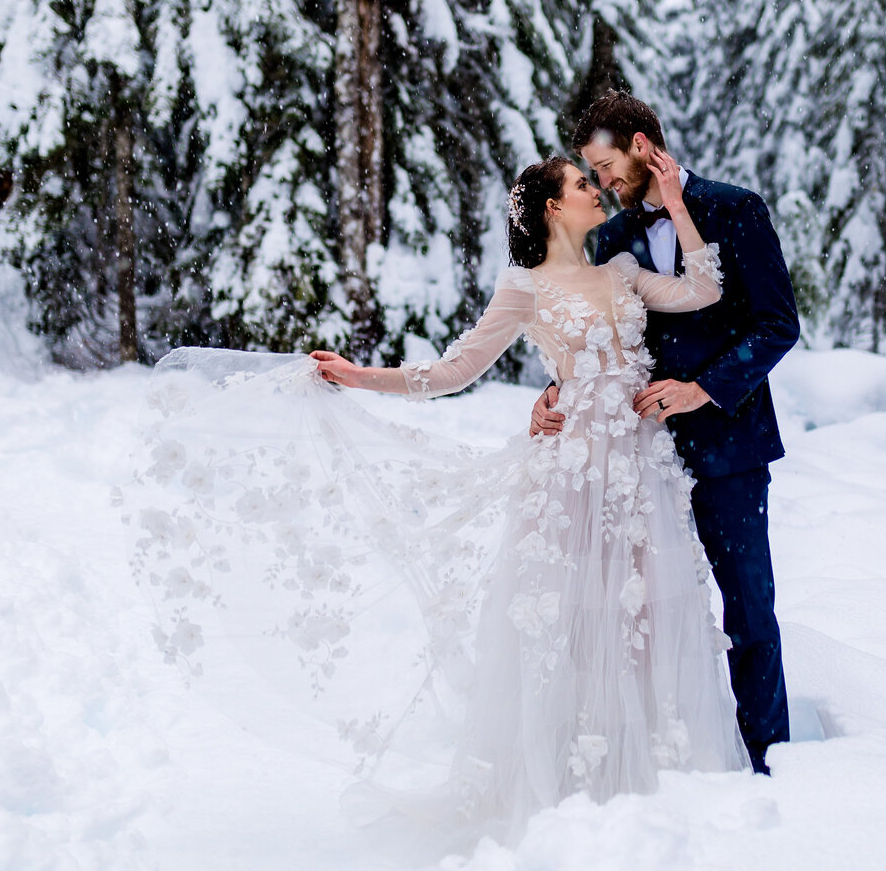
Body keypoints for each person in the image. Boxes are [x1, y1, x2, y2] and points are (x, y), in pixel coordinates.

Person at [308, 150, 748, 841]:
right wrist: (360, 376)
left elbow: (704, 287)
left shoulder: (624, 270)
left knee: (646, 624)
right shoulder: (526, 286)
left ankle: (654, 788)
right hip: (572, 475)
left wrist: (676, 200)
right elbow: (455, 370)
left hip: (640, 472)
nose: (595, 189)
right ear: (551, 207)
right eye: (581, 183)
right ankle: (570, 789)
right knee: (574, 627)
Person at [530, 90, 800, 775]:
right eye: (589, 173)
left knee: (748, 612)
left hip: (729, 450)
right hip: (636, 458)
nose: (602, 182)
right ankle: (662, 758)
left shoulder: (735, 209)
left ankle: (769, 762)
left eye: (606, 164)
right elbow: (600, 333)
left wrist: (702, 388)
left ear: (643, 144)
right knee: (640, 617)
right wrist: (555, 390)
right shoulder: (615, 239)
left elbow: (777, 324)